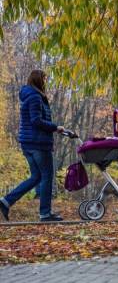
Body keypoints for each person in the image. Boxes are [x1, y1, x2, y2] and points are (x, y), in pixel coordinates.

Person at [0, 70, 65, 222]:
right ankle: (45, 213)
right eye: (44, 78)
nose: (45, 81)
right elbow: (36, 121)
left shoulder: (28, 96)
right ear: (38, 80)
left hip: (28, 144)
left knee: (36, 177)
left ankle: (5, 201)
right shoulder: (35, 97)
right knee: (47, 176)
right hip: (38, 144)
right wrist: (56, 127)